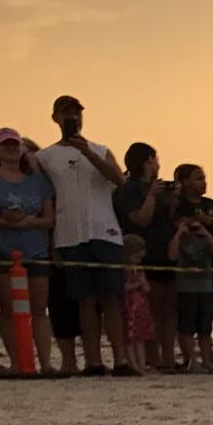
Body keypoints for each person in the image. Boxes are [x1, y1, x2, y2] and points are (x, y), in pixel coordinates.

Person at [34, 96, 135, 376]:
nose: (73, 118)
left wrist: (87, 152)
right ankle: (93, 361)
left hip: (105, 232)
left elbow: (119, 180)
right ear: (55, 118)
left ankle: (122, 360)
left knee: (111, 298)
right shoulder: (45, 157)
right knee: (85, 300)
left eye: (77, 113)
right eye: (67, 114)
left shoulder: (100, 150)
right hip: (69, 235)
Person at [0, 128, 56, 376]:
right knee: (8, 308)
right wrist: (6, 221)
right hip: (1, 247)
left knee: (39, 307)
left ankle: (46, 363)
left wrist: (29, 222)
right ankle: (19, 363)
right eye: (5, 145)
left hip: (35, 247)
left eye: (15, 144)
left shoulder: (38, 180)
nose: (11, 148)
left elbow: (49, 217)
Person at [114, 142, 177, 370]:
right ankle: (153, 357)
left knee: (169, 309)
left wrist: (171, 199)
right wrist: (151, 195)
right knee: (149, 310)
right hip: (143, 254)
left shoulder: (156, 187)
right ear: (148, 160)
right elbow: (140, 219)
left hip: (165, 251)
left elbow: (168, 219)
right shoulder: (129, 188)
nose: (158, 163)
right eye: (156, 159)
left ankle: (168, 357)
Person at [170, 201, 213, 372]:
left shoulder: (203, 237)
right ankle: (191, 360)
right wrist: (179, 233)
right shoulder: (177, 237)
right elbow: (171, 256)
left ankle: (208, 361)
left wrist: (204, 231)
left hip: (206, 286)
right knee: (187, 327)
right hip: (186, 287)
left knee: (205, 327)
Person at [120, 234, 157, 369]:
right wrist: (136, 284)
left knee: (140, 339)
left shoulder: (140, 270)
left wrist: (142, 282)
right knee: (129, 338)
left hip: (141, 306)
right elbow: (123, 287)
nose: (138, 261)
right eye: (136, 257)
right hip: (128, 306)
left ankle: (141, 365)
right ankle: (133, 365)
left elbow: (147, 288)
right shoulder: (123, 270)